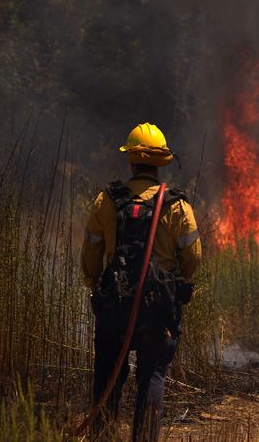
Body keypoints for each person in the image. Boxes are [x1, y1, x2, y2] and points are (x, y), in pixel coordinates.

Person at [81, 122, 202, 440]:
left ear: (131, 160)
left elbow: (90, 253)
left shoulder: (106, 200)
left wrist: (95, 285)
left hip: (114, 307)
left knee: (108, 377)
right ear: (161, 162)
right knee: (151, 376)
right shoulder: (176, 205)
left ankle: (102, 435)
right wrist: (175, 283)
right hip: (157, 311)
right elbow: (193, 257)